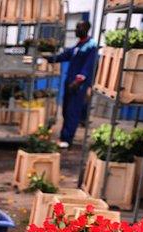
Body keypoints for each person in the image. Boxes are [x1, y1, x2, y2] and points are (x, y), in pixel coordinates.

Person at [43, 20, 98, 148]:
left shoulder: (91, 46)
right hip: (70, 82)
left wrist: (78, 81)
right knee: (66, 111)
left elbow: (88, 66)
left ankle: (67, 139)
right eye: (76, 27)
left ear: (86, 29)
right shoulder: (78, 45)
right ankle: (64, 136)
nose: (76, 30)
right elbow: (65, 56)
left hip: (78, 85)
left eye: (79, 27)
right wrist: (49, 58)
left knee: (73, 111)